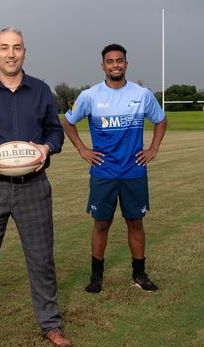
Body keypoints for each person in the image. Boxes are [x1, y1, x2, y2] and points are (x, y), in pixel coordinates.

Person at [0, 26, 71, 347]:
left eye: (17, 47)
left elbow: (55, 132)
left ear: (24, 52)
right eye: (4, 48)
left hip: (34, 187)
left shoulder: (41, 90)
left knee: (41, 259)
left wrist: (47, 149)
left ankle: (51, 323)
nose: (10, 53)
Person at [61, 43, 167, 294]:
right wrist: (83, 150)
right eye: (110, 61)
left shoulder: (141, 95)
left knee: (136, 223)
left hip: (134, 172)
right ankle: (96, 276)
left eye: (119, 61)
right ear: (103, 66)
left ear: (126, 64)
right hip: (103, 173)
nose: (115, 65)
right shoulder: (90, 96)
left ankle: (139, 275)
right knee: (101, 224)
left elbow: (161, 121)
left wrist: (153, 149)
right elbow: (67, 121)